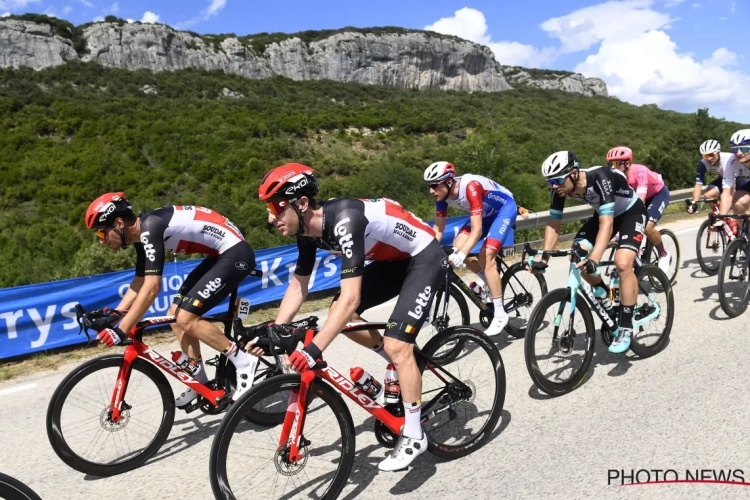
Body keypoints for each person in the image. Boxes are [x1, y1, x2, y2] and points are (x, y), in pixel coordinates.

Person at [257, 163, 446, 471]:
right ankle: (405, 362)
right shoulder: (307, 234)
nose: (270, 217)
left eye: (275, 208)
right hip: (394, 261)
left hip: (423, 256)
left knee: (394, 342)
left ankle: (414, 434)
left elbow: (352, 297)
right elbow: (298, 284)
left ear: (301, 203)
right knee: (340, 317)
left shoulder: (345, 221)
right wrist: (275, 330)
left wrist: (314, 349)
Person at [84, 193, 257, 407]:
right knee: (174, 317)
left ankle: (243, 360)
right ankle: (199, 381)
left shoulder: (150, 226)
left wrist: (122, 330)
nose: (100, 241)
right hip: (219, 255)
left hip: (235, 253)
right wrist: (115, 316)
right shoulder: (142, 232)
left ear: (119, 223)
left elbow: (152, 287)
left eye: (101, 232)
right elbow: (140, 280)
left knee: (186, 318)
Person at [531, 152, 647, 354]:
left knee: (622, 263)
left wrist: (595, 258)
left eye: (557, 180)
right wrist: (544, 257)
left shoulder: (600, 177)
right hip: (605, 214)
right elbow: (554, 223)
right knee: (577, 255)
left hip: (631, 212)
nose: (554, 186)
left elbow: (607, 225)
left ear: (574, 173)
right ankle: (604, 296)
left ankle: (627, 327)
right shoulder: (559, 189)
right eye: (550, 182)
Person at [423, 161, 517, 336]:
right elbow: (438, 229)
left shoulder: (471, 186)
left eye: (434, 186)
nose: (431, 191)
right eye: (429, 186)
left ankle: (500, 313)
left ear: (448, 182)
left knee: (485, 257)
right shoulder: (442, 196)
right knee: (457, 250)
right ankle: (488, 283)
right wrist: (428, 251)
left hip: (504, 210)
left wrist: (463, 252)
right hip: (486, 215)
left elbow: (477, 230)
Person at [606, 146, 671, 274]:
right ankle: (637, 256)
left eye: (616, 164)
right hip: (636, 199)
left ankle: (663, 253)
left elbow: (640, 200)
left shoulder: (639, 171)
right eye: (610, 164)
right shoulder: (613, 177)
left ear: (627, 164)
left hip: (657, 195)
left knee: (646, 227)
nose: (612, 168)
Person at [721, 129, 750, 221]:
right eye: (735, 149)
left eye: (744, 148)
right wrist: (721, 218)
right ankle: (745, 233)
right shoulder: (732, 161)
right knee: (737, 200)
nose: (738, 153)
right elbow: (727, 192)